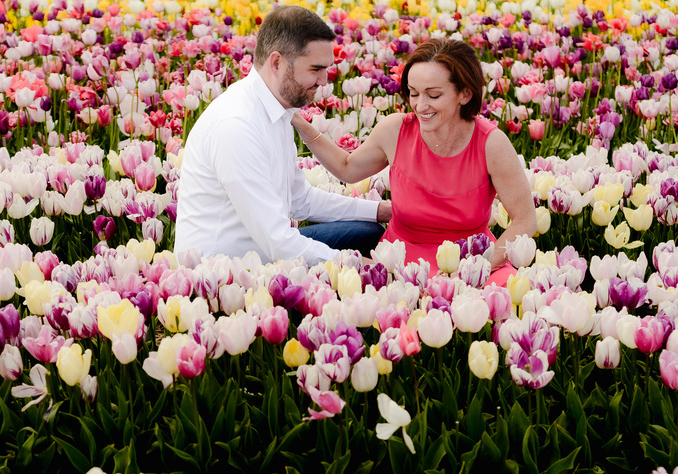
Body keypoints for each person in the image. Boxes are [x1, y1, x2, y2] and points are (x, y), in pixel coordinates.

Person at [290, 37, 537, 283]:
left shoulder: (491, 144)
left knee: (507, 304)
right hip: (402, 264)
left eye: (433, 95)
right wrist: (299, 122)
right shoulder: (396, 130)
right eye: (413, 93)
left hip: (473, 261)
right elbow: (347, 168)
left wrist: (477, 270)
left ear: (465, 94)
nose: (420, 105)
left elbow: (525, 220)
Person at [174, 5, 390, 266]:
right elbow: (278, 241)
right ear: (276, 62)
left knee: (370, 233)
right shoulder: (237, 125)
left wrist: (381, 210)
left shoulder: (277, 109)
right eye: (315, 69)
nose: (324, 81)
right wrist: (366, 268)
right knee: (368, 259)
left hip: (265, 248)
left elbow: (300, 198)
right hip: (228, 273)